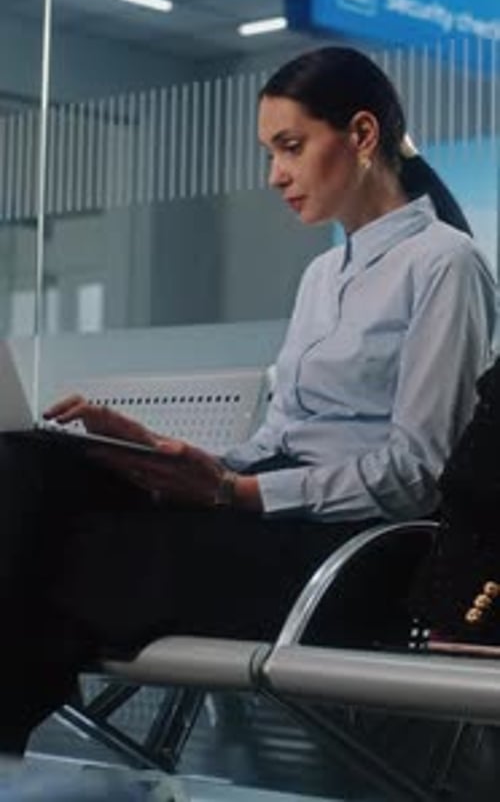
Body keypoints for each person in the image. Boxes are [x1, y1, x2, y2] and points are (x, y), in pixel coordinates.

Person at [0, 46, 495, 753]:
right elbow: (275, 441)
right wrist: (151, 453)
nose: (275, 175)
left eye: (290, 148)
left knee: (63, 554)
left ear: (361, 135)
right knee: (30, 462)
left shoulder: (446, 264)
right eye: (271, 152)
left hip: (340, 555)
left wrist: (238, 495)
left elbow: (418, 473)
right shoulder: (322, 275)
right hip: (261, 523)